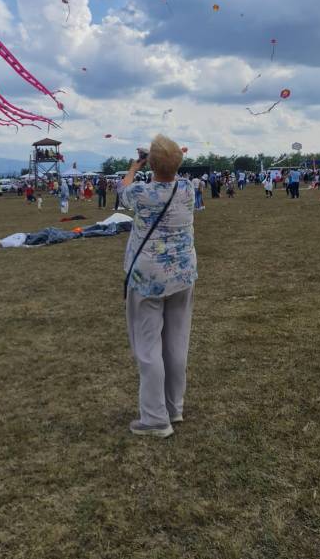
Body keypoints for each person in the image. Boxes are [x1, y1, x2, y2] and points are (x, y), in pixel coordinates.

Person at [120, 135, 197, 438]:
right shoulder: (189, 189)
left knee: (148, 346)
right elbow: (172, 169)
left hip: (148, 278)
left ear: (150, 163)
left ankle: (154, 418)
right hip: (183, 274)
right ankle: (173, 407)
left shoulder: (141, 192)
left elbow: (122, 189)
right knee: (177, 342)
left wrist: (134, 166)